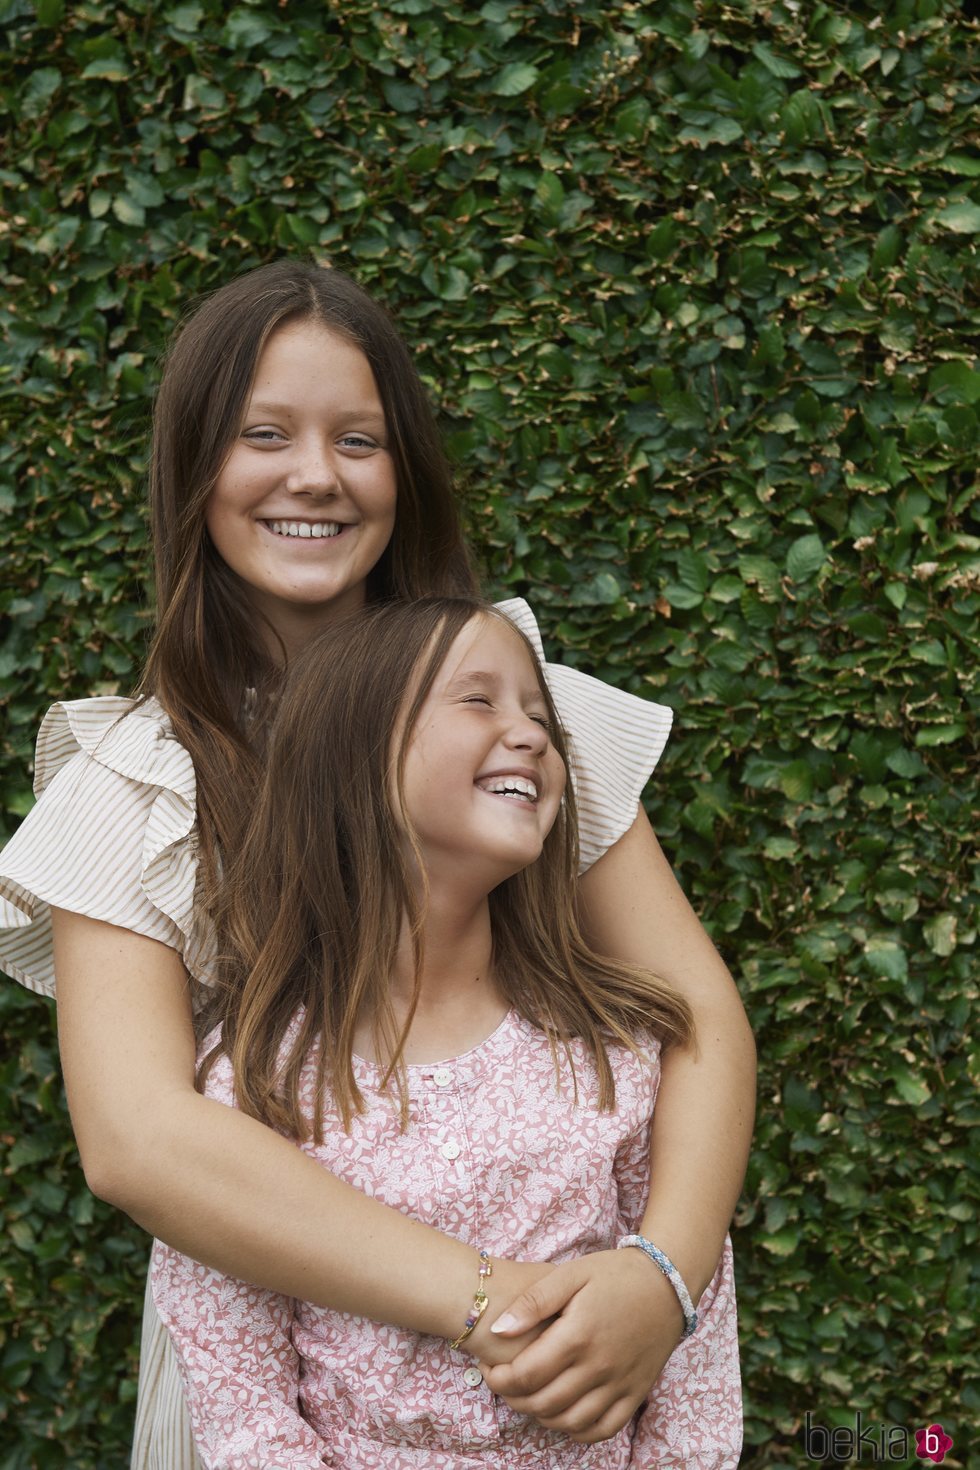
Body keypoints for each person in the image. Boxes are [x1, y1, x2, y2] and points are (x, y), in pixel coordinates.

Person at [0, 260, 755, 1467]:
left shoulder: (527, 719)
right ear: (194, 471)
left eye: (360, 439)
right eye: (263, 434)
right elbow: (139, 1137)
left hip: (576, 1356)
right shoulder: (144, 776)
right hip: (282, 1374)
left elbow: (697, 1015)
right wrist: (492, 1301)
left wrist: (658, 1280)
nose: (315, 474)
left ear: (405, 472)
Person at [151, 595, 741, 1468]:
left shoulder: (612, 1050)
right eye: (480, 701)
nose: (532, 734)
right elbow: (244, 1409)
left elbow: (692, 1344)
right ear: (354, 759)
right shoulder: (254, 1083)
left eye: (538, 715)